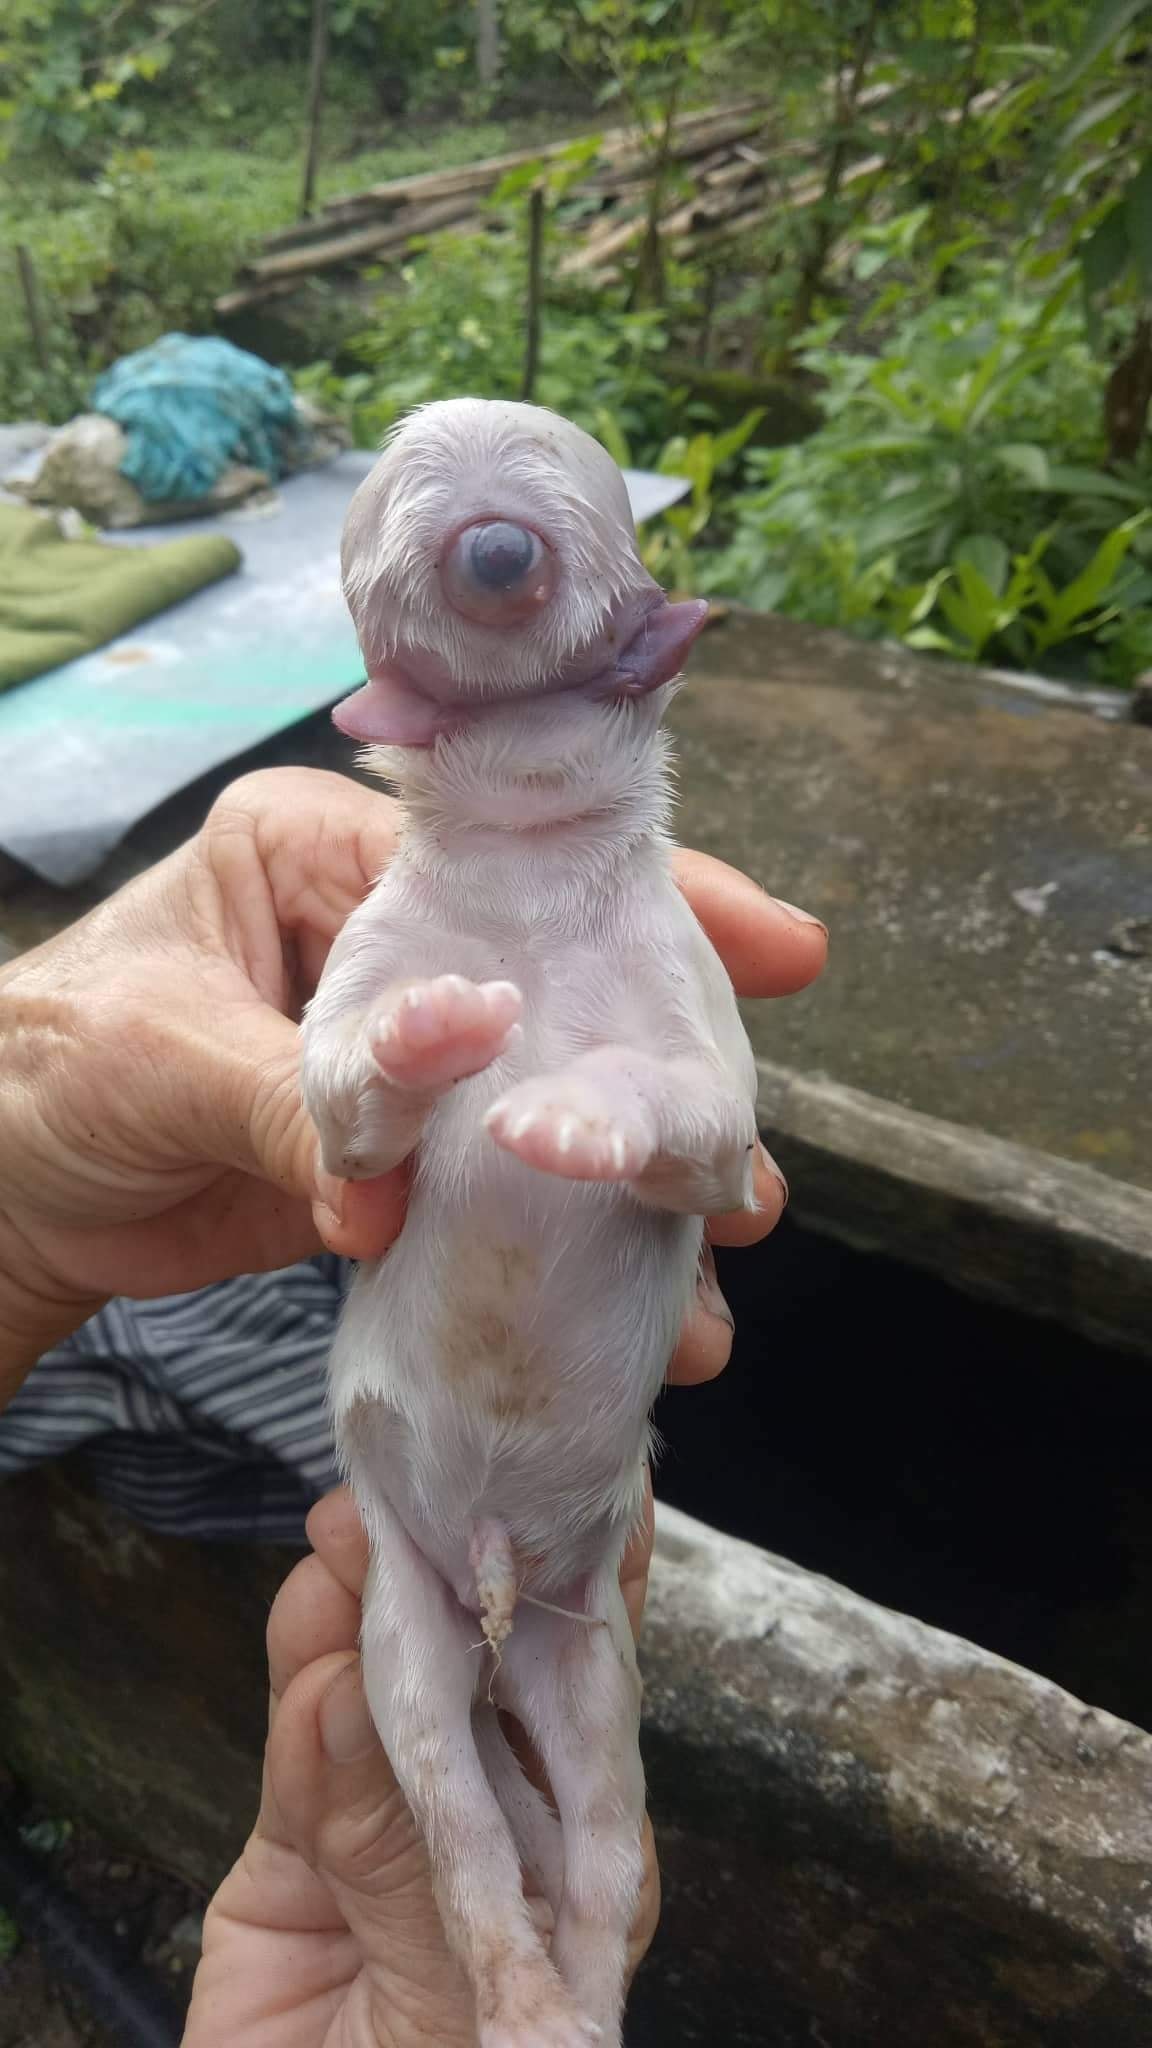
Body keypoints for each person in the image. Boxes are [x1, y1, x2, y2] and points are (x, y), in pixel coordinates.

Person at [0, 766, 827, 2043]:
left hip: (571, 1519)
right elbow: (335, 1103)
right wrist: (370, 1070)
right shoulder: (402, 906)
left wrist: (641, 1112)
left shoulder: (652, 916)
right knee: (445, 1784)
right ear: (391, 729)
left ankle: (582, 2007)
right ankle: (503, 1975)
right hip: (417, 1501)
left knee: (600, 1825)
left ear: (645, 680)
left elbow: (721, 1148)